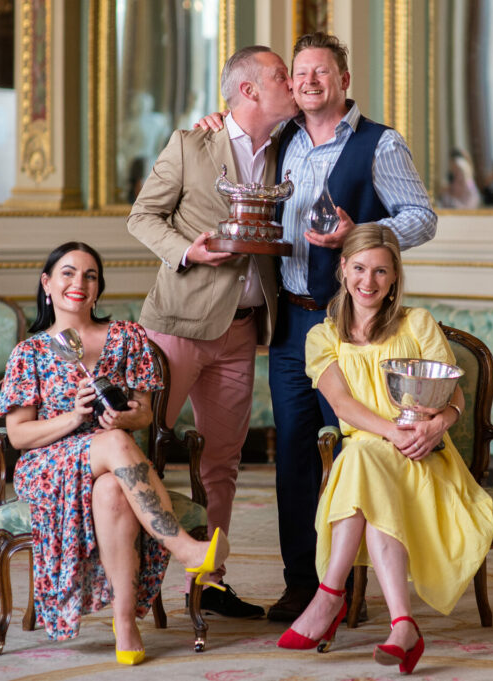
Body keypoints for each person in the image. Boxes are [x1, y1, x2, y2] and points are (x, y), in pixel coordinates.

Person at [265, 32, 438, 621]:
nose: (309, 81)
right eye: (300, 73)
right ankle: (301, 585)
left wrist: (359, 233)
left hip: (355, 327)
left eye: (321, 72)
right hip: (291, 325)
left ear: (343, 81)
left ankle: (358, 592)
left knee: (361, 452)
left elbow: (422, 217)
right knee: (292, 457)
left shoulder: (379, 143)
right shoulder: (280, 138)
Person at [0, 242, 229, 665]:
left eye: (90, 275)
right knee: (116, 447)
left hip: (112, 463)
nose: (78, 283)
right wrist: (73, 417)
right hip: (50, 466)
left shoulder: (126, 337)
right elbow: (18, 436)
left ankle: (125, 623)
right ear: (47, 284)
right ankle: (185, 549)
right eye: (67, 273)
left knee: (111, 493)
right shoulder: (29, 353)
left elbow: (143, 415)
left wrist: (125, 419)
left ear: (99, 288)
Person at [275, 225, 493, 675]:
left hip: (422, 457)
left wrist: (438, 425)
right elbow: (342, 405)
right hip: (374, 453)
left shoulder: (418, 324)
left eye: (380, 271)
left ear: (395, 276)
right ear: (342, 268)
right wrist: (390, 433)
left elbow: (454, 396)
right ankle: (402, 625)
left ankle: (328, 597)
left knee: (358, 463)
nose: (368, 281)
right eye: (359, 268)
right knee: (360, 457)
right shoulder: (323, 336)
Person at [127, 45, 298, 618]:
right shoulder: (190, 143)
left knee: (221, 462)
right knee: (143, 447)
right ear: (249, 90)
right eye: (282, 76)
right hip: (178, 324)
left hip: (244, 331)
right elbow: (141, 217)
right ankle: (128, 578)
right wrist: (187, 252)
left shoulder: (291, 147)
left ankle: (210, 581)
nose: (294, 82)